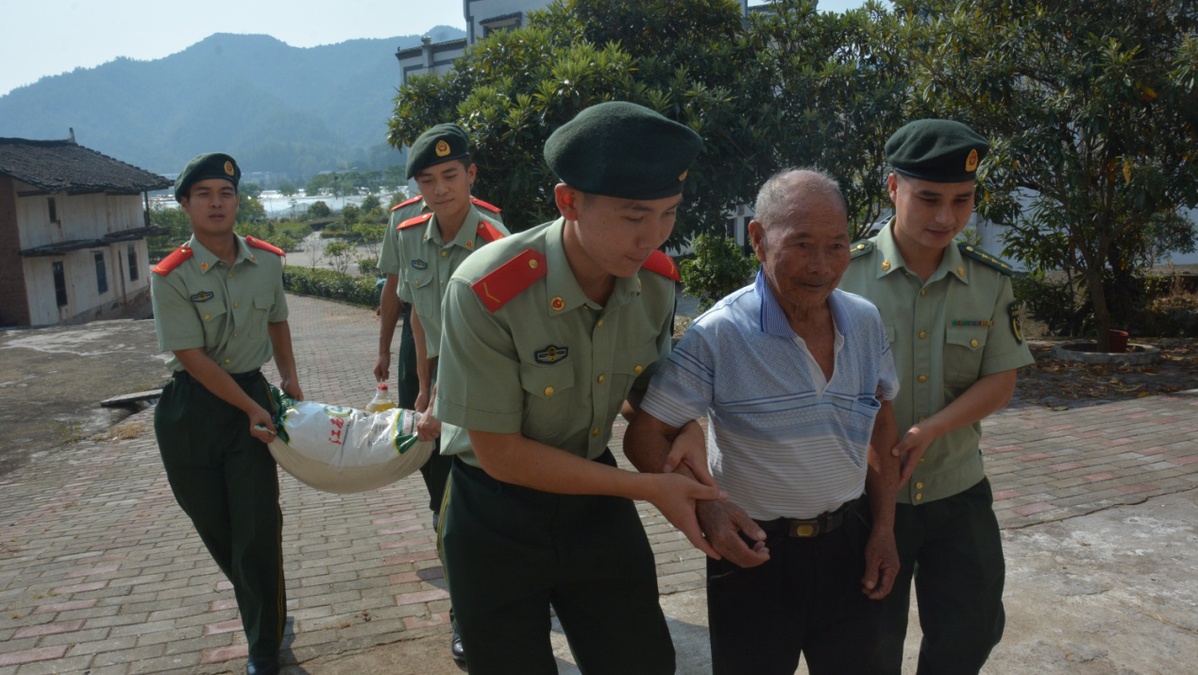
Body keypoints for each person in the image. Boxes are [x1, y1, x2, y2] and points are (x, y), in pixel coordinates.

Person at [433, 100, 722, 674]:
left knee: (641, 662)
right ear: (569, 202)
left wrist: (684, 426)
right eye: (634, 216)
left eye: (668, 214)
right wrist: (647, 488)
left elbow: (646, 390)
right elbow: (500, 454)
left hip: (594, 504)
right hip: (493, 513)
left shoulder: (654, 284)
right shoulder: (487, 291)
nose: (653, 237)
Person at [625, 168, 902, 674]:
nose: (821, 266)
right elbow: (646, 435)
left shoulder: (865, 321)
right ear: (758, 238)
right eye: (801, 244)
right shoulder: (720, 334)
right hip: (753, 550)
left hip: (852, 543)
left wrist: (884, 528)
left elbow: (882, 424)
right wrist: (707, 509)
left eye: (836, 245)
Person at [838, 119, 1036, 674]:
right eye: (928, 198)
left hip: (957, 490)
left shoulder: (989, 281)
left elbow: (1000, 379)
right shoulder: (845, 277)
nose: (947, 217)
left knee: (970, 630)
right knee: (867, 640)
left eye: (962, 200)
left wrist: (930, 430)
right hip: (865, 499)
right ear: (893, 188)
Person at [150, 152, 302, 675]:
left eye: (226, 193)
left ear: (238, 201)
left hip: (250, 402)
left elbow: (278, 320)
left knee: (257, 526)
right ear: (185, 205)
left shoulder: (267, 261)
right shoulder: (170, 275)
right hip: (190, 409)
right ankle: (262, 600)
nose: (216, 203)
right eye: (204, 195)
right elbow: (191, 357)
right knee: (216, 526)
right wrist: (251, 406)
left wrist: (290, 378)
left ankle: (263, 646)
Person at [385, 122, 510, 662]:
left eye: (450, 175)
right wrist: (422, 389)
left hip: (486, 383)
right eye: (427, 180)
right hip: (432, 380)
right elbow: (418, 317)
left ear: (471, 174)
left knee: (487, 502)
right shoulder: (410, 233)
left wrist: (443, 396)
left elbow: (504, 336)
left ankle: (499, 606)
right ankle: (466, 614)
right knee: (444, 505)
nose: (440, 190)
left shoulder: (497, 242)